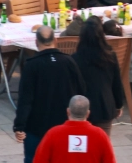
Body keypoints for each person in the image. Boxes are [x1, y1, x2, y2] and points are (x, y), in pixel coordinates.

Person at [14, 25, 87, 163]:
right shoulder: (69, 61)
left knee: (33, 159)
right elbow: (81, 91)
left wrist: (19, 125)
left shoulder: (31, 65)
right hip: (64, 126)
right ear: (56, 40)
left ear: (36, 42)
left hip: (37, 128)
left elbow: (25, 99)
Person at [73, 17, 126, 131]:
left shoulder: (75, 59)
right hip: (104, 106)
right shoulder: (110, 56)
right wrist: (119, 104)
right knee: (102, 145)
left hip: (82, 109)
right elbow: (116, 83)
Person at [31, 96, 115, 163]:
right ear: (88, 113)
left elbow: (39, 160)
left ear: (68, 111)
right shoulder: (100, 135)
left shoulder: (53, 134)